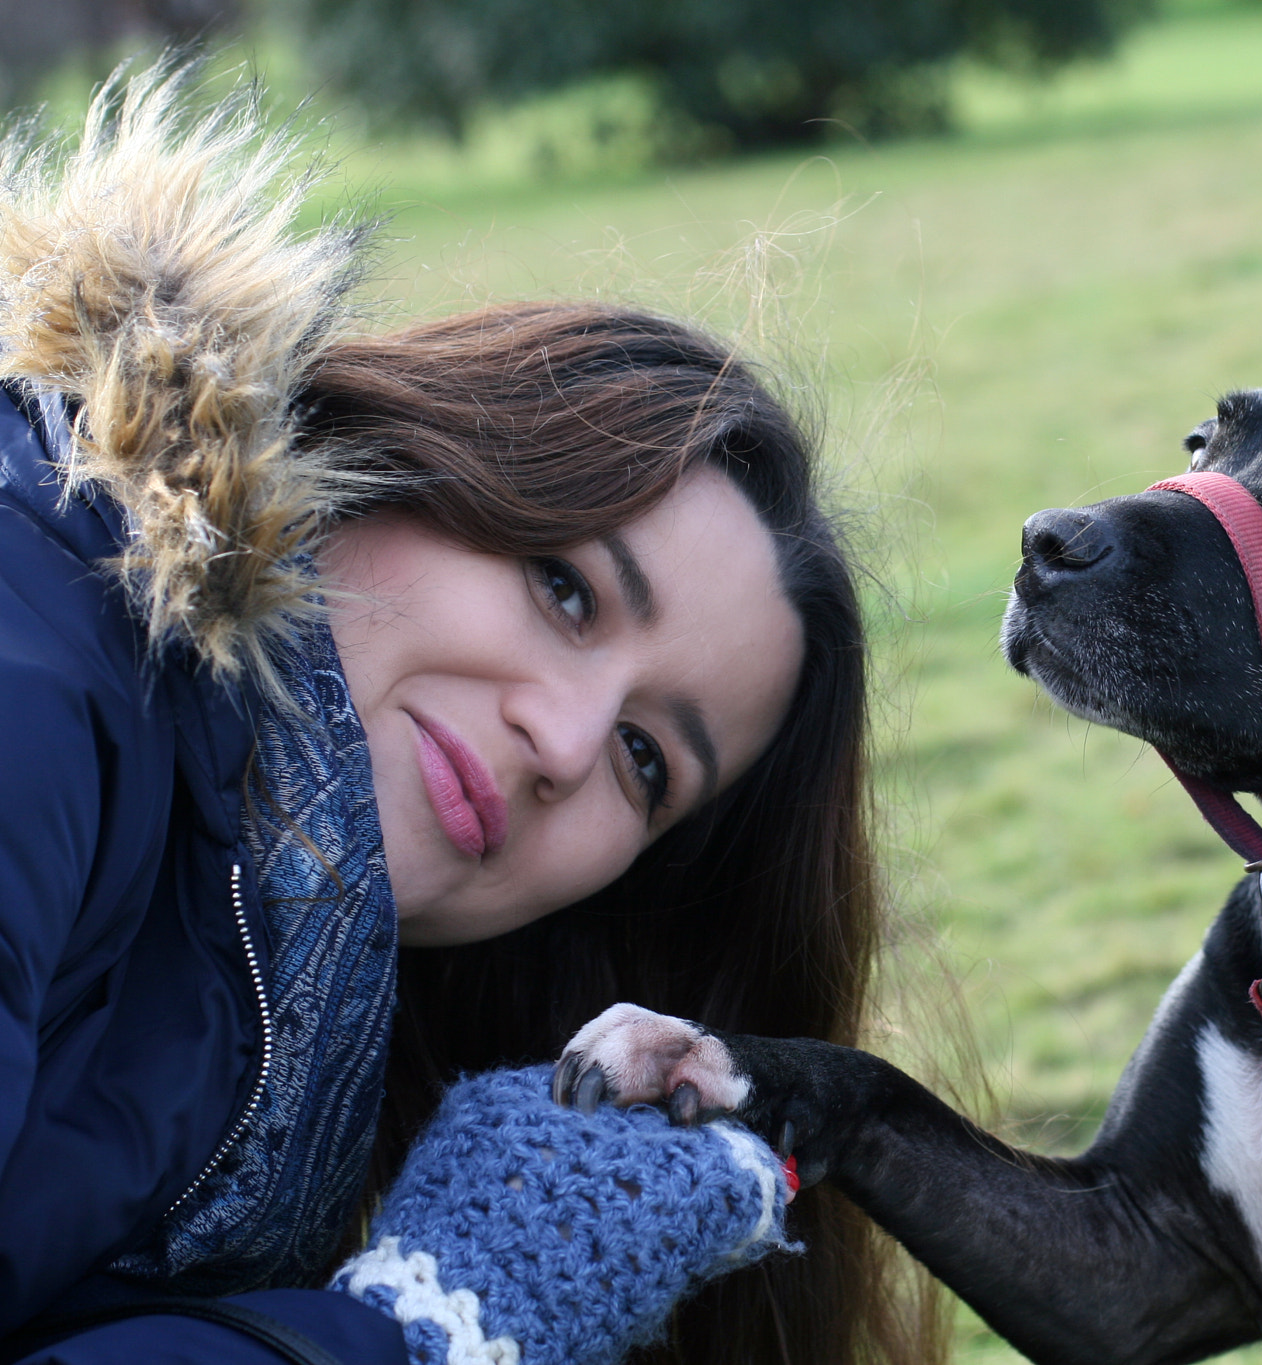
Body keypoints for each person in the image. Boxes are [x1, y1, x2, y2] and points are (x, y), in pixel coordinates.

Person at [0, 70, 936, 1365]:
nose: (562, 742)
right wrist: (423, 1331)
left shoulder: (292, 1063)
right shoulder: (39, 624)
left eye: (645, 760)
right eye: (564, 590)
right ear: (398, 460)